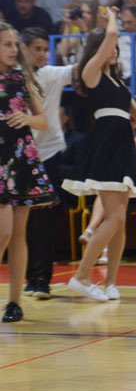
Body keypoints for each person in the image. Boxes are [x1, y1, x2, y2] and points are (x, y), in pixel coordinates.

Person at [62, 8, 136, 302]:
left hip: (122, 145)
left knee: (120, 219)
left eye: (114, 48)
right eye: (108, 46)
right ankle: (81, 276)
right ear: (98, 48)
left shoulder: (118, 83)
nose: (113, 49)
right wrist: (110, 16)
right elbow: (112, 33)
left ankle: (111, 283)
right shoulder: (90, 73)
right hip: (105, 146)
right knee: (113, 218)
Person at [0, 23, 57, 323]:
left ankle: (14, 302)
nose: (13, 49)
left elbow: (43, 121)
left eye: (14, 44)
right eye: (7, 44)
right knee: (4, 233)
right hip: (0, 162)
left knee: (19, 235)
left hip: (22, 160)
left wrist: (27, 118)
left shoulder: (22, 78)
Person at [21, 28, 75, 299]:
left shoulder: (51, 74)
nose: (43, 54)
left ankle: (42, 278)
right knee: (20, 220)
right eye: (38, 49)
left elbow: (81, 69)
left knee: (43, 218)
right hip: (18, 155)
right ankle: (28, 276)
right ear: (23, 48)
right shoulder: (10, 78)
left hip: (48, 153)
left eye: (46, 49)